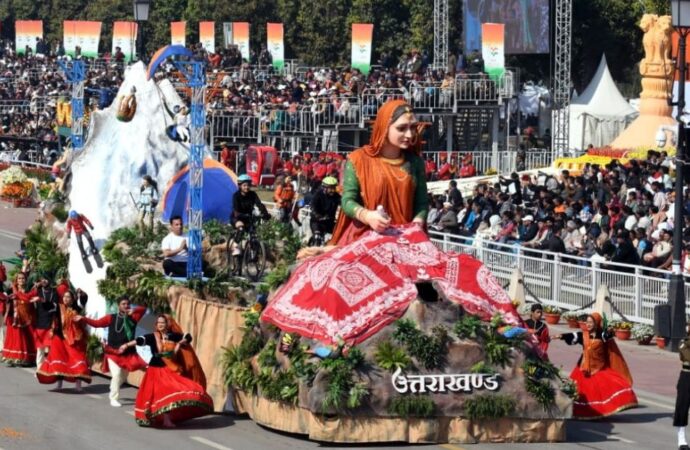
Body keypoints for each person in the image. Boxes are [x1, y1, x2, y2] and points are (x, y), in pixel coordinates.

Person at [330, 100, 428, 245]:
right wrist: (367, 216)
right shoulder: (358, 159)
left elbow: (421, 203)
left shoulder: (415, 162)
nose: (409, 134)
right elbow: (347, 201)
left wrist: (416, 225)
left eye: (413, 127)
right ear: (384, 128)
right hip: (364, 237)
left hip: (405, 239)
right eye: (401, 128)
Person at [119, 315, 213, 428]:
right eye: (158, 322)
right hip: (155, 369)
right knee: (155, 394)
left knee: (174, 390)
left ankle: (166, 419)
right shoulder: (153, 336)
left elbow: (188, 337)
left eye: (162, 322)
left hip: (168, 369)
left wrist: (180, 343)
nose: (160, 324)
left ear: (167, 324)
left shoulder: (173, 336)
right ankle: (159, 418)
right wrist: (126, 345)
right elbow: (140, 340)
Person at [555, 313, 638, 419]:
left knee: (602, 391)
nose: (588, 324)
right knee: (579, 393)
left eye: (591, 322)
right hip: (583, 369)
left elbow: (608, 336)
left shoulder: (602, 335)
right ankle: (578, 412)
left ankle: (599, 411)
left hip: (599, 368)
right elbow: (573, 336)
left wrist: (611, 331)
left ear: (596, 323)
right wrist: (561, 336)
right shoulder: (584, 335)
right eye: (587, 322)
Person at [76, 297, 147, 407]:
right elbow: (97, 323)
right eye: (123, 304)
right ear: (118, 305)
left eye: (128, 304)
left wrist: (135, 310)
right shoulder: (111, 318)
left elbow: (143, 309)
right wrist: (83, 318)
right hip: (113, 352)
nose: (126, 306)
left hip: (127, 353)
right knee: (117, 374)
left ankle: (114, 386)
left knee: (123, 377)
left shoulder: (134, 317)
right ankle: (113, 397)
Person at [37, 289, 90, 391]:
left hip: (74, 339)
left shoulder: (77, 308)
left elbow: (84, 300)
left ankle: (78, 384)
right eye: (64, 296)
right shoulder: (58, 307)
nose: (65, 299)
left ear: (72, 299)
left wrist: (82, 293)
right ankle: (59, 384)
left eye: (68, 297)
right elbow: (49, 306)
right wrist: (42, 301)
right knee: (59, 361)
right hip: (59, 338)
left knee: (77, 359)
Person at [3, 272, 37, 366]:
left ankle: (27, 359)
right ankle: (13, 358)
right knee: (15, 338)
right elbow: (5, 298)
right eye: (19, 278)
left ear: (25, 280)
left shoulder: (29, 290)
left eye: (23, 278)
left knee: (28, 338)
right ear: (16, 280)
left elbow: (33, 301)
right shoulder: (11, 290)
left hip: (27, 317)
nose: (21, 280)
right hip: (15, 318)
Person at [33, 271, 58, 369]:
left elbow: (55, 307)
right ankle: (39, 369)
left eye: (46, 278)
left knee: (51, 349)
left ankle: (50, 368)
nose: (43, 280)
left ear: (50, 280)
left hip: (50, 324)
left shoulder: (54, 293)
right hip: (39, 323)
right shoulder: (38, 291)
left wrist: (43, 301)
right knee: (40, 349)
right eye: (42, 279)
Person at [675, 325, 690, 450]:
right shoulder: (683, 343)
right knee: (683, 407)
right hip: (687, 376)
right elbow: (687, 356)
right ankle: (681, 438)